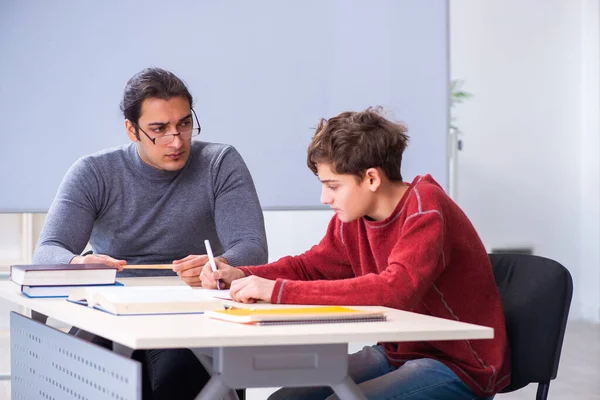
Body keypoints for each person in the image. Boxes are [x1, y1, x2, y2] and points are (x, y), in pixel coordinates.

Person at [200, 107, 511, 400]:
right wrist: (244, 274)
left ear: (372, 178)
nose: (324, 198)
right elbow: (312, 267)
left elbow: (394, 289)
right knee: (285, 398)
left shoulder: (424, 208)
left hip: (459, 365)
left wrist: (278, 291)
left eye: (333, 186)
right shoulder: (352, 219)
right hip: (397, 353)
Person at [33, 67, 268, 399]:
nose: (176, 141)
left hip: (194, 311)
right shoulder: (94, 172)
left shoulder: (220, 163)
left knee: (179, 375)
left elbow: (253, 247)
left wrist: (221, 263)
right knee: (81, 370)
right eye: (159, 129)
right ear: (132, 130)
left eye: (184, 124)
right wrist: (76, 263)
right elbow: (47, 251)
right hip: (113, 307)